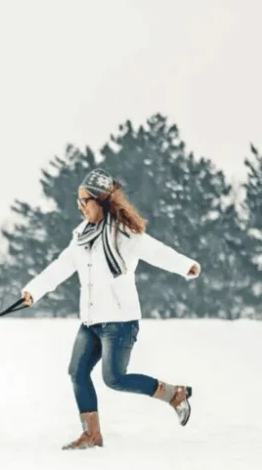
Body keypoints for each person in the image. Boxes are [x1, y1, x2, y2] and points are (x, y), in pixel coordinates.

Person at [20, 167, 201, 450]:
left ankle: (174, 394)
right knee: (77, 372)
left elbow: (156, 251)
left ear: (100, 200)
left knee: (115, 378)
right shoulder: (81, 236)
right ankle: (91, 435)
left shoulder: (124, 234)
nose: (80, 206)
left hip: (120, 321)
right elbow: (61, 266)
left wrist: (185, 266)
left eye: (84, 200)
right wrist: (34, 290)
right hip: (91, 320)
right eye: (78, 201)